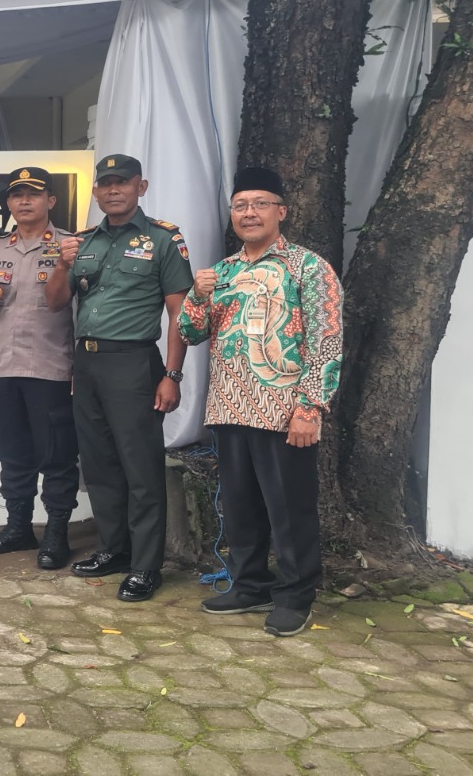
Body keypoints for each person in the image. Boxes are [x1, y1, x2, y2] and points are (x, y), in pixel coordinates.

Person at [178, 166, 342, 636]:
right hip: (229, 409)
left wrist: (310, 407)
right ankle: (250, 584)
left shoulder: (308, 268)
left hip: (284, 413)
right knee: (240, 507)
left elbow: (327, 340)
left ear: (281, 212)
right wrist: (197, 295)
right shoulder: (222, 272)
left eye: (259, 204)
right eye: (240, 205)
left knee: (289, 508)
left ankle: (295, 595)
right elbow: (189, 333)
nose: (249, 213)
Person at [46, 154, 192, 602]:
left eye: (122, 182)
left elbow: (179, 313)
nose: (113, 190)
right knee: (99, 464)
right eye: (105, 183)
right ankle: (114, 549)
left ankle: (146, 565)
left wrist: (172, 375)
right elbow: (55, 301)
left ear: (140, 187)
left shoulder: (163, 239)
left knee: (140, 466)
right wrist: (63, 265)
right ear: (95, 191)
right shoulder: (83, 241)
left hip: (133, 362)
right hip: (88, 363)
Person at [0, 168, 80, 568]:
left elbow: (85, 310)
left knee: (57, 456)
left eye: (33, 194)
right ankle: (18, 528)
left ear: (51, 201)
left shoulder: (70, 247)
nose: (24, 201)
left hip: (52, 368)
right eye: (17, 195)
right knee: (13, 453)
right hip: (7, 368)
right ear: (9, 203)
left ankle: (57, 534)